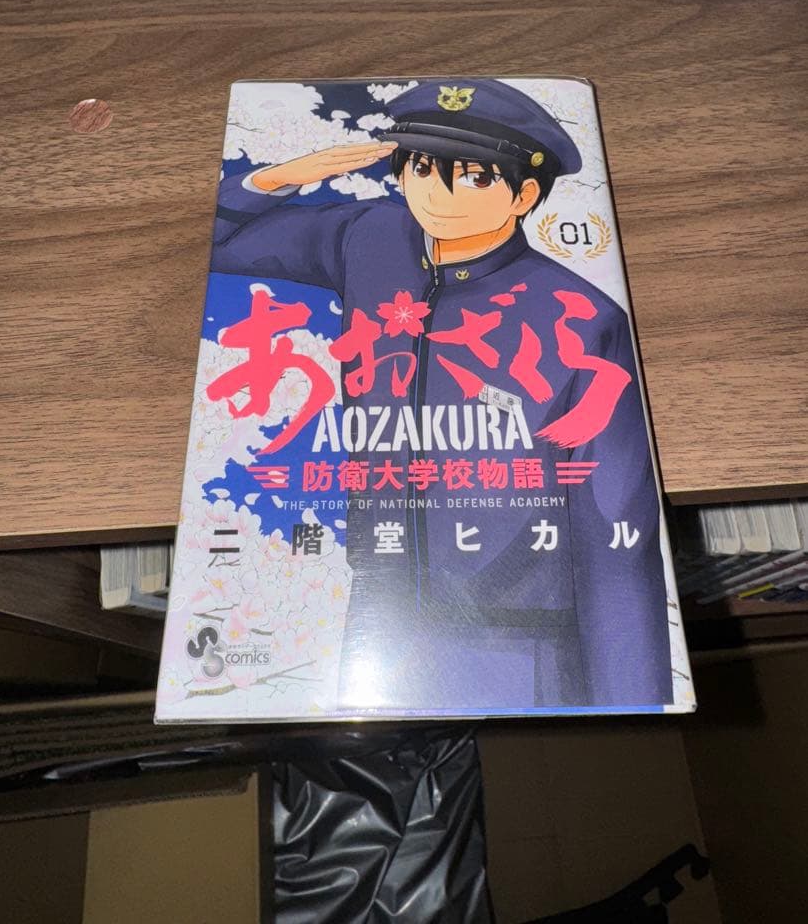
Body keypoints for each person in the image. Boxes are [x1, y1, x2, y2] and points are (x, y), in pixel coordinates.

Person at [211, 79, 673, 711]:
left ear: (525, 196)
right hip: (381, 624)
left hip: (520, 645)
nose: (439, 194)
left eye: (476, 178)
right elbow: (216, 244)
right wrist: (283, 176)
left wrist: (632, 701)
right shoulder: (372, 239)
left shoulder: (583, 318)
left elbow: (615, 532)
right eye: (422, 168)